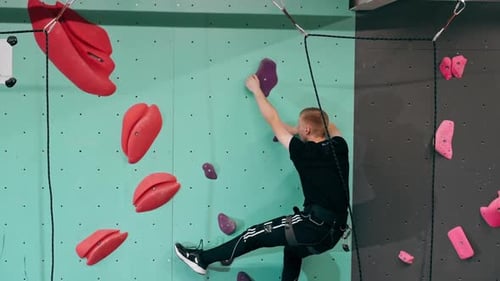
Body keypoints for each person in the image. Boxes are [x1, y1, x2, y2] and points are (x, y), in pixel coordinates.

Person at [174, 74, 350, 281]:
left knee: (253, 235)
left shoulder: (304, 152)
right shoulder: (340, 146)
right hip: (333, 233)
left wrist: (257, 90)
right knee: (292, 251)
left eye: (302, 128)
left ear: (307, 129)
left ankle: (201, 260)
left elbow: (272, 119)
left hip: (313, 225)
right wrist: (300, 129)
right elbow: (328, 125)